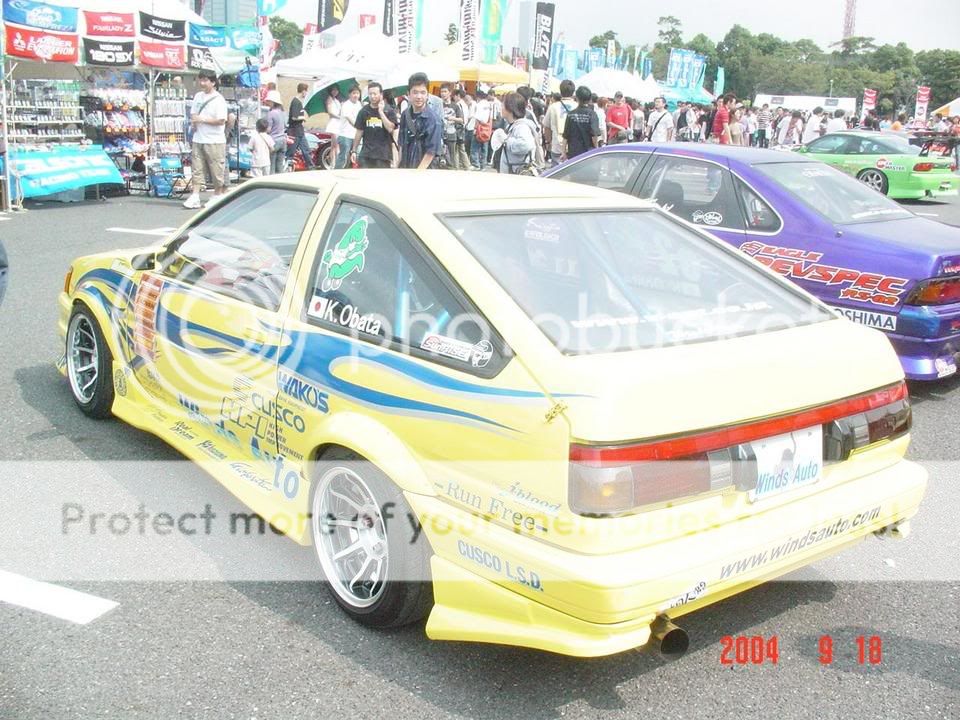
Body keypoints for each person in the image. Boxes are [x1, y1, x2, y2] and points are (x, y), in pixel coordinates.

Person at [183, 69, 228, 209]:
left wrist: (202, 119)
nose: (202, 83)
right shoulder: (197, 96)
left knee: (216, 169)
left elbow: (221, 120)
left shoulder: (219, 99)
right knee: (197, 168)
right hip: (198, 138)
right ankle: (195, 195)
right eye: (200, 80)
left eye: (205, 80)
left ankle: (217, 194)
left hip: (214, 140)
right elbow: (193, 114)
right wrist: (194, 123)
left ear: (213, 82)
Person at [398, 72, 442, 169]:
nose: (419, 96)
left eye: (423, 92)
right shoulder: (405, 115)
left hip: (425, 171)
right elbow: (401, 143)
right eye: (415, 92)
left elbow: (431, 152)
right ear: (408, 94)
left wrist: (418, 174)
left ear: (427, 95)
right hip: (406, 167)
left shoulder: (433, 120)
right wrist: (398, 166)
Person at [350, 81, 398, 169]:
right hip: (366, 154)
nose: (372, 96)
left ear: (381, 94)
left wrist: (381, 112)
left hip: (383, 155)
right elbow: (359, 132)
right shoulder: (363, 111)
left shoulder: (389, 110)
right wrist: (354, 150)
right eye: (370, 94)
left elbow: (391, 129)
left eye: (375, 94)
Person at [495, 92, 538, 174]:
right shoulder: (513, 125)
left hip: (516, 176)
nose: (501, 108)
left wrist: (506, 140)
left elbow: (526, 145)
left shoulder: (521, 127)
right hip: (513, 174)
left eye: (503, 106)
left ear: (510, 108)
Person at [561, 85, 601, 159]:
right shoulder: (592, 114)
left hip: (573, 153)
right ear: (589, 99)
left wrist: (563, 152)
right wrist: (596, 149)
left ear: (577, 98)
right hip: (588, 153)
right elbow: (594, 135)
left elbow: (565, 136)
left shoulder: (571, 114)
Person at [543, 79, 576, 166]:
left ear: (560, 91)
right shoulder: (577, 106)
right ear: (573, 92)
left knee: (556, 174)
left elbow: (546, 127)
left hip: (557, 144)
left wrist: (549, 142)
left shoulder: (553, 107)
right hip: (574, 146)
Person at [286, 82, 314, 171]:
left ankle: (311, 167)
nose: (306, 94)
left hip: (299, 130)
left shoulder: (298, 102)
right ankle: (286, 167)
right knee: (291, 151)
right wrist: (303, 117)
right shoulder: (296, 102)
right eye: (306, 91)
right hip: (294, 131)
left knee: (306, 150)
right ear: (303, 91)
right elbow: (294, 117)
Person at [440, 83, 464, 169]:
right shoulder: (439, 105)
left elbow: (461, 120)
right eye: (442, 92)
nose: (443, 94)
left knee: (451, 158)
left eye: (445, 91)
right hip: (440, 134)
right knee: (440, 158)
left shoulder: (455, 106)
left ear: (450, 93)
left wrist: (452, 118)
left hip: (451, 134)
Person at [338, 85, 362, 168]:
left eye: (357, 93)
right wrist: (360, 127)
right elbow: (350, 119)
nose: (356, 95)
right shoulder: (346, 105)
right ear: (349, 95)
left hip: (356, 136)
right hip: (345, 135)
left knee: (357, 157)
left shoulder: (359, 104)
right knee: (343, 158)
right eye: (354, 93)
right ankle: (336, 174)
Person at [264, 90, 286, 174]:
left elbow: (268, 129)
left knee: (271, 166)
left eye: (269, 101)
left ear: (273, 102)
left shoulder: (271, 113)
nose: (267, 103)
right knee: (280, 166)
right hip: (283, 140)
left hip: (273, 141)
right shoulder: (283, 112)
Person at [471, 89, 493, 170]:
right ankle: (483, 165)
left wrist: (475, 128)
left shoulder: (479, 104)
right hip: (487, 128)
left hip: (480, 128)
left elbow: (478, 118)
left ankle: (476, 164)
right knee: (484, 148)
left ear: (478, 97)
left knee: (475, 147)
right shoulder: (489, 104)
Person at [323, 84, 342, 169]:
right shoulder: (329, 99)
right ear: (330, 91)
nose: (335, 91)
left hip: (338, 123)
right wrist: (338, 117)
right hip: (333, 123)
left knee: (334, 145)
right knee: (335, 145)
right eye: (333, 90)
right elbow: (330, 112)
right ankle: (334, 164)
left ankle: (333, 164)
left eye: (336, 90)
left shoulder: (337, 101)